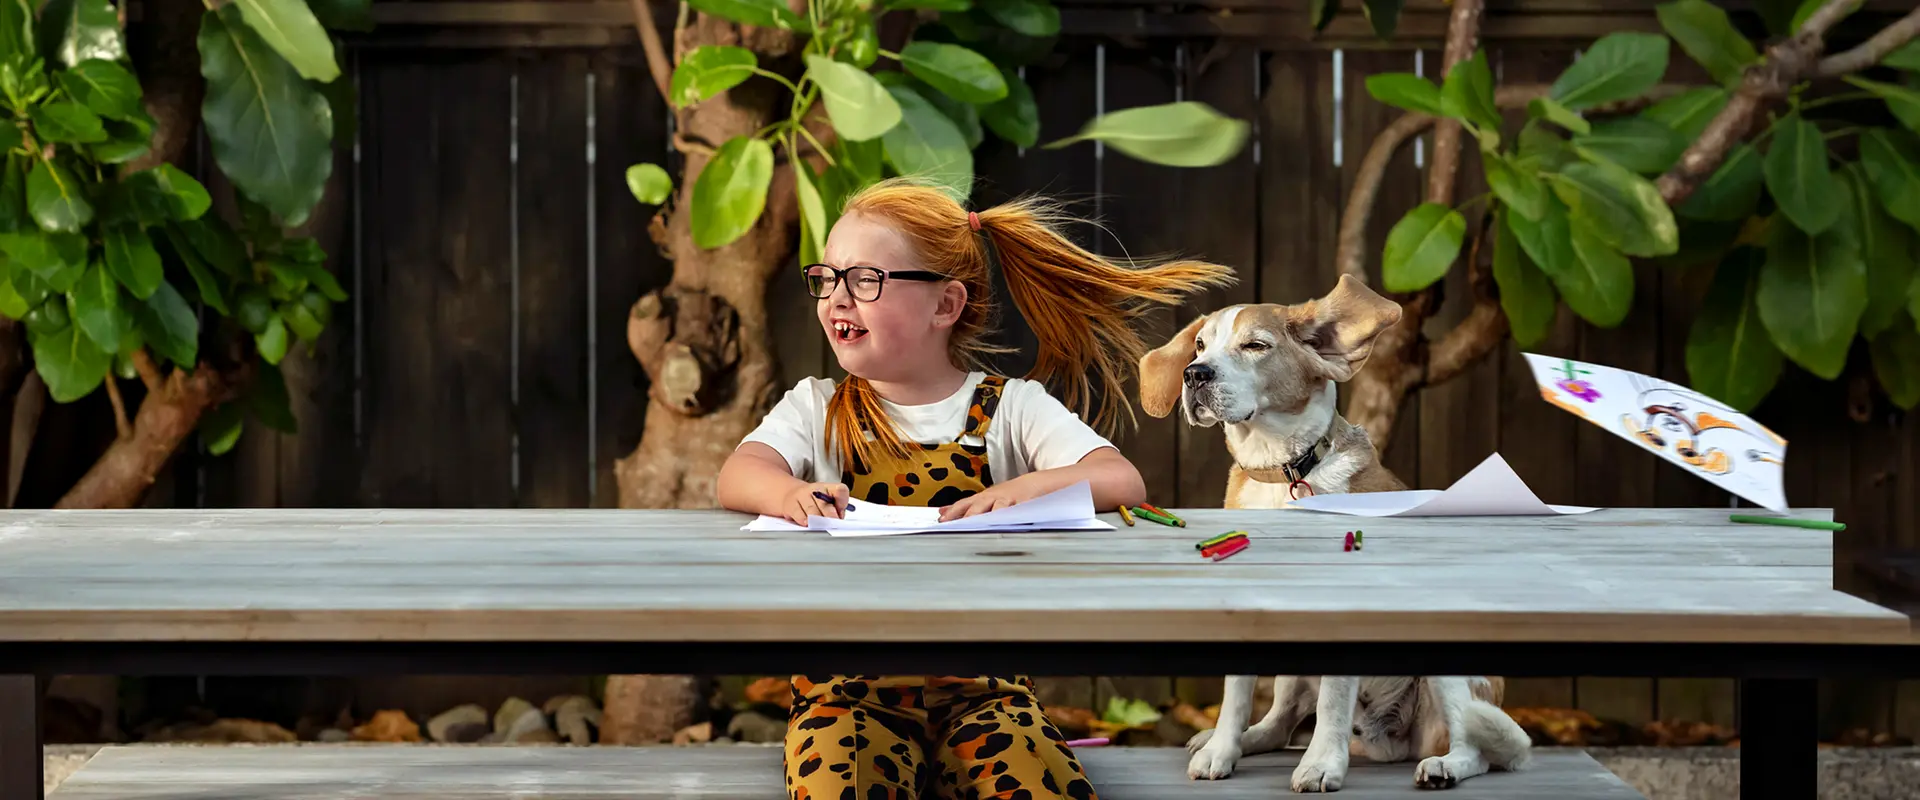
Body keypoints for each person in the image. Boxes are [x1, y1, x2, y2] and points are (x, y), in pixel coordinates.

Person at [716, 177, 1236, 800]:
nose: (836, 299)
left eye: (864, 280)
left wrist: (1028, 490)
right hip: (847, 697)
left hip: (988, 697)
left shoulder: (1011, 407)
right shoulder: (817, 407)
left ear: (945, 305)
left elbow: (1121, 479)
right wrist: (786, 495)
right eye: (827, 278)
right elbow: (738, 475)